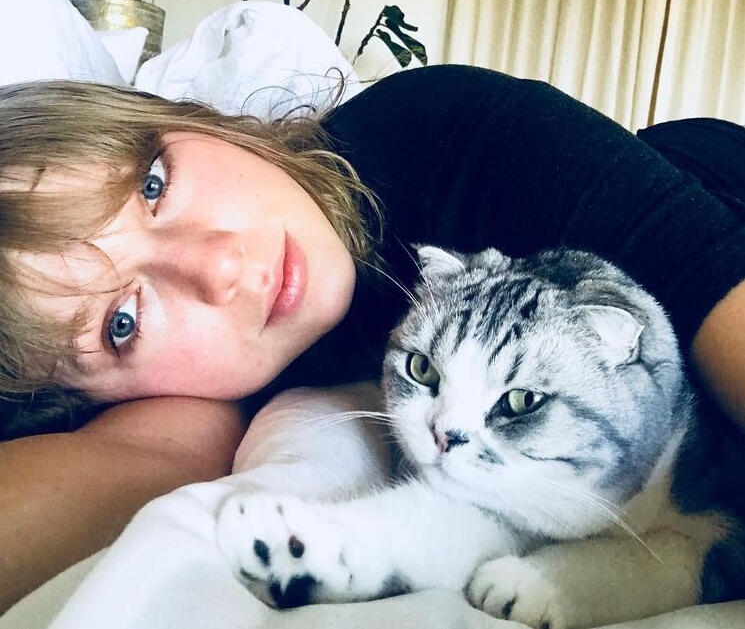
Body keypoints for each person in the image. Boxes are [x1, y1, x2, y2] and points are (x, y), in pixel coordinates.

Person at [2, 64, 745, 612]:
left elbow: (703, 267)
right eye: (122, 323)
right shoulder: (182, 400)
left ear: (189, 116)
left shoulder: (444, 131)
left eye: (153, 183)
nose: (220, 265)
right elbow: (124, 467)